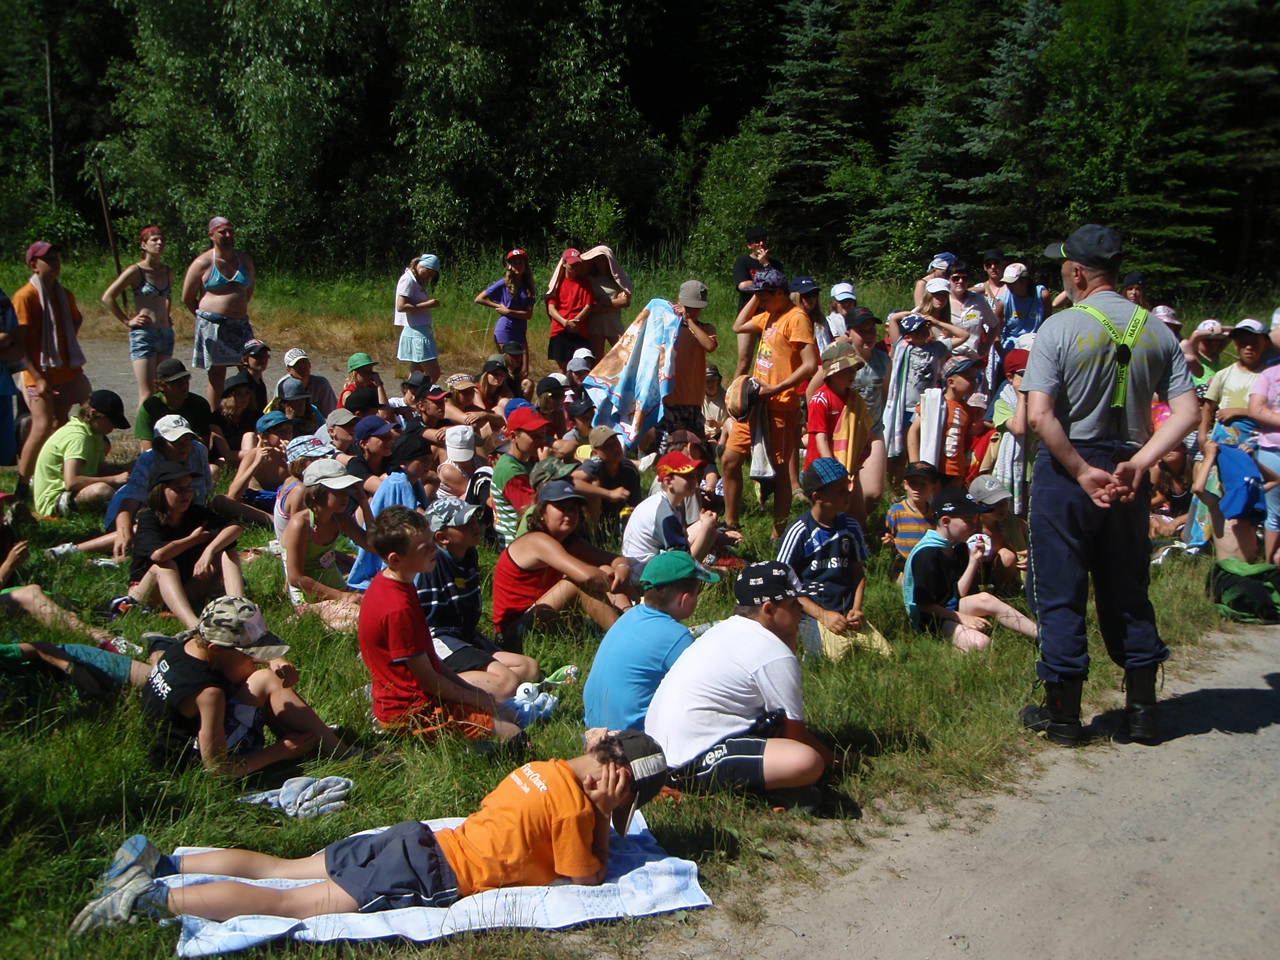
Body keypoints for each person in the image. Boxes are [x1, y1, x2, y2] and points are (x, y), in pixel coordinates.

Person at [70, 729, 668, 933]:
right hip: (430, 871)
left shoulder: (541, 767)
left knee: (282, 870)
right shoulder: (576, 813)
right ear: (618, 783)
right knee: (292, 906)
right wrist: (601, 820)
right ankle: (150, 900)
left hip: (415, 839)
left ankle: (164, 863)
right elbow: (585, 878)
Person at [1021, 224, 1198, 746]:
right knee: (1127, 588)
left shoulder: (1059, 327)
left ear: (1077, 273)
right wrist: (1141, 462)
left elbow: (1039, 416)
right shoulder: (1157, 330)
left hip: (1069, 467)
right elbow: (1187, 412)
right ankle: (1141, 713)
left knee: (1060, 588)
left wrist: (1080, 470)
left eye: (1063, 266)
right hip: (1128, 470)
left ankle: (1064, 717)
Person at [644, 561, 835, 801]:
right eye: (793, 604)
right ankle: (702, 791)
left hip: (665, 752)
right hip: (689, 761)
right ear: (768, 609)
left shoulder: (726, 630)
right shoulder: (773, 652)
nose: (801, 612)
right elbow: (795, 736)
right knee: (807, 761)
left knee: (778, 732)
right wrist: (839, 761)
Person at [137, 596, 359, 774]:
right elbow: (217, 767)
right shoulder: (209, 693)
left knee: (265, 677)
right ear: (216, 649)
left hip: (180, 737)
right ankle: (343, 755)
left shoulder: (186, 646)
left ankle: (327, 746)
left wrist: (274, 659)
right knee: (266, 680)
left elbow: (235, 664)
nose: (254, 659)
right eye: (249, 654)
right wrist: (281, 750)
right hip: (190, 764)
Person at [356, 506, 519, 742]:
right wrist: (475, 698)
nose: (434, 549)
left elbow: (433, 663)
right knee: (512, 733)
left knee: (507, 713)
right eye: (424, 548)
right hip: (411, 712)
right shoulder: (397, 608)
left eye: (431, 541)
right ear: (395, 559)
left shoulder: (397, 583)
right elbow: (429, 682)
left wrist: (474, 694)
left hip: (423, 696)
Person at [724, 268, 819, 534]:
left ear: (779, 293)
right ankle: (730, 525)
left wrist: (777, 387)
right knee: (730, 460)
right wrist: (757, 296)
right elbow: (738, 326)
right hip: (754, 404)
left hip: (781, 406)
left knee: (779, 472)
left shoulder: (796, 318)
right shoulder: (769, 314)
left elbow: (810, 365)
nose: (760, 301)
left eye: (764, 296)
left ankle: (778, 535)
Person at [583, 550, 719, 732]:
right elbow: (706, 688)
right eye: (697, 593)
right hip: (631, 738)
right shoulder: (677, 637)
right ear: (685, 599)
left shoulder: (629, 616)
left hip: (594, 728)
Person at [418, 499, 540, 700]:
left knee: (529, 668)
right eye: (464, 523)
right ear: (442, 537)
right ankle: (428, 689)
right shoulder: (430, 565)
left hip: (465, 635)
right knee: (507, 682)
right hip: (438, 640)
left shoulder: (469, 554)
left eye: (474, 519)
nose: (475, 525)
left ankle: (482, 687)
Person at [491, 481, 633, 652]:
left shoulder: (568, 542)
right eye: (561, 507)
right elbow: (587, 577)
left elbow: (616, 559)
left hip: (544, 617)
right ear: (541, 512)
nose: (568, 514)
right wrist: (615, 579)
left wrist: (622, 568)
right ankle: (627, 640)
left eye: (573, 509)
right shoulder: (537, 540)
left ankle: (632, 624)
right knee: (577, 582)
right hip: (513, 634)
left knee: (606, 570)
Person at [902, 489, 1037, 652]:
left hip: (949, 606)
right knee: (981, 643)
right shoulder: (927, 554)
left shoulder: (957, 546)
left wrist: (973, 561)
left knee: (986, 598)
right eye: (968, 520)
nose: (975, 526)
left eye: (976, 519)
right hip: (930, 618)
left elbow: (959, 593)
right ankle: (945, 649)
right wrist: (961, 618)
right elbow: (924, 605)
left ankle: (1041, 634)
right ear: (946, 521)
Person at [778, 459, 888, 658]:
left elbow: (858, 574)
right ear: (818, 496)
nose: (848, 494)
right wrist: (822, 615)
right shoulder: (799, 531)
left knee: (885, 655)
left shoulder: (851, 527)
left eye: (848, 487)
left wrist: (856, 609)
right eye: (840, 491)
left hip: (846, 612)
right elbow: (783, 582)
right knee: (835, 657)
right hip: (810, 614)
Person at [13, 241, 91, 499]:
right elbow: (19, 344)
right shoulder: (25, 297)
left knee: (84, 410)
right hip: (35, 375)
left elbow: (76, 320)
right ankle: (22, 485)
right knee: (43, 424)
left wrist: (63, 348)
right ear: (33, 265)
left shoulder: (64, 294)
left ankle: (65, 473)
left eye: (57, 258)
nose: (55, 263)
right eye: (48, 259)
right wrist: (38, 377)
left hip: (67, 371)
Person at [126, 462, 245, 629]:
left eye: (189, 488)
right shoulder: (149, 518)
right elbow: (159, 555)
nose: (186, 494)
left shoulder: (195, 513)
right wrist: (193, 539)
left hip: (184, 587)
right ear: (160, 491)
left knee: (227, 548)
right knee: (165, 566)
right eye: (178, 489)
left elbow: (236, 527)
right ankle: (194, 626)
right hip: (148, 593)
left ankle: (240, 611)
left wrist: (210, 551)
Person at [282, 459, 372, 630]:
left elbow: (372, 545)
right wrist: (341, 596)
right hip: (309, 596)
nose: (345, 496)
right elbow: (296, 578)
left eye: (346, 490)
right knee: (364, 619)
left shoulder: (340, 518)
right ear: (315, 494)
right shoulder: (300, 524)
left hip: (337, 589)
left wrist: (363, 502)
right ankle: (305, 616)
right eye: (338, 491)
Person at [181, 217, 256, 408]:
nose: (228, 235)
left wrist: (237, 308)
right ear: (211, 235)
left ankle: (249, 412)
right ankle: (216, 416)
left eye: (231, 231)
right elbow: (187, 297)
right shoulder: (203, 262)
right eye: (223, 232)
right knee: (217, 375)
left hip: (240, 324)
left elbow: (249, 290)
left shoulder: (244, 260)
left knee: (249, 369)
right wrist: (204, 318)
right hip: (213, 325)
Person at [101, 226, 175, 408]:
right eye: (154, 240)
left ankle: (160, 424)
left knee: (162, 389)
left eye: (162, 240)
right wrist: (127, 321)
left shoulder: (167, 271)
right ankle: (143, 426)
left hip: (165, 333)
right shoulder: (136, 271)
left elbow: (167, 296)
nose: (159, 243)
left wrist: (166, 314)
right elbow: (108, 297)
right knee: (147, 392)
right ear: (143, 245)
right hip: (144, 335)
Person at [32, 390, 131, 517]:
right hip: (54, 500)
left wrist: (125, 470)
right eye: (111, 422)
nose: (114, 427)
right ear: (93, 414)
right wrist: (115, 479)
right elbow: (72, 482)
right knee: (102, 490)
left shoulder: (95, 434)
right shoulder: (78, 438)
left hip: (73, 492)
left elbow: (98, 469)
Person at [622, 451, 723, 566]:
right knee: (707, 527)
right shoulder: (665, 514)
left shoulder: (666, 504)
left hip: (648, 564)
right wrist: (707, 528)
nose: (694, 481)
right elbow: (681, 565)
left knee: (705, 525)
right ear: (668, 481)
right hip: (644, 572)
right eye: (688, 476)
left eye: (694, 476)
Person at [907, 356, 986, 487]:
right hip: (934, 467)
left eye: (975, 378)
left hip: (956, 472)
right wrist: (915, 464)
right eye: (969, 378)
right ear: (951, 382)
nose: (974, 382)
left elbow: (968, 439)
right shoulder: (934, 403)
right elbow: (914, 431)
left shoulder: (968, 410)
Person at [1200, 318, 1268, 453]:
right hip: (1221, 444)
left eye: (1255, 343)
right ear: (1236, 344)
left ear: (1265, 344)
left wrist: (1239, 411)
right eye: (1243, 343)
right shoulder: (1223, 374)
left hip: (1256, 445)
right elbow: (1208, 408)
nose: (1249, 347)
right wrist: (1202, 437)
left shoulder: (1270, 377)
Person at [492, 406, 549, 546]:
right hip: (517, 543)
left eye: (543, 434)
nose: (541, 440)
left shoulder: (527, 460)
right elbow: (535, 510)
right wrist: (545, 467)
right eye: (534, 436)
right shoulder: (510, 471)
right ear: (513, 437)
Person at [475, 249, 536, 380]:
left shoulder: (528, 287)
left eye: (521, 262)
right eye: (515, 263)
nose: (518, 265)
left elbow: (529, 315)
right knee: (509, 365)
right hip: (505, 328)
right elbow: (479, 298)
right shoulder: (504, 283)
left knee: (523, 370)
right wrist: (498, 306)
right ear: (510, 265)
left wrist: (509, 311)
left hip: (520, 330)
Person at [732, 227, 784, 373]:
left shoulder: (775, 264)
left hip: (771, 314)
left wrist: (766, 265)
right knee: (744, 360)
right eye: (757, 241)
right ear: (749, 245)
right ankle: (736, 387)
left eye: (764, 240)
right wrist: (768, 283)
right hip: (748, 314)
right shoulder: (743, 262)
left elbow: (781, 285)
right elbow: (743, 285)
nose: (761, 244)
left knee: (771, 358)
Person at [227, 411, 292, 525]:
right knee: (220, 501)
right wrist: (256, 464)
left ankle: (279, 521)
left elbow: (303, 488)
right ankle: (274, 521)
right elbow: (233, 494)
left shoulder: (292, 456)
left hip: (282, 502)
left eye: (289, 431)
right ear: (264, 437)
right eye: (281, 432)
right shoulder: (253, 455)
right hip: (256, 502)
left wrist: (291, 460)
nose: (287, 436)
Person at [134, 358, 213, 452]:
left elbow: (202, 446)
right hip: (160, 456)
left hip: (190, 455)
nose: (184, 386)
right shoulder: (149, 407)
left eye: (186, 380)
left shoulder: (199, 404)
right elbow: (148, 449)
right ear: (161, 386)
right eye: (177, 383)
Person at [1247, 345, 1280, 564]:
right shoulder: (1270, 374)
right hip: (1271, 449)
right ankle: (1270, 565)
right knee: (1274, 511)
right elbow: (1255, 409)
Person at [572, 426, 643, 523]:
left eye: (616, 442)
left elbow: (636, 504)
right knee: (594, 482)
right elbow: (571, 481)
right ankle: (595, 530)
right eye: (608, 446)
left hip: (617, 518)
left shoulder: (629, 469)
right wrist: (609, 494)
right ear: (595, 453)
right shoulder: (595, 464)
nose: (615, 448)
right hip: (593, 516)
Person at [883, 460, 942, 575]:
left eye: (923, 484)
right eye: (913, 483)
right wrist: (887, 541)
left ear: (933, 488)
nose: (917, 488)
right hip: (901, 570)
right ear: (905, 484)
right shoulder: (896, 512)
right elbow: (886, 536)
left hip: (926, 570)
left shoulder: (935, 515)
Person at [545, 248, 598, 373]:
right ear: (564, 263)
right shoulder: (557, 284)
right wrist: (565, 322)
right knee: (563, 367)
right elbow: (551, 309)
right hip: (560, 329)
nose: (575, 268)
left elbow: (588, 306)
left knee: (583, 365)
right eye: (572, 265)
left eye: (577, 265)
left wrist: (576, 320)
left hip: (579, 330)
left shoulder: (585, 283)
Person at [394, 253, 442, 380]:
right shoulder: (408, 280)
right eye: (428, 272)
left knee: (417, 373)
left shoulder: (416, 280)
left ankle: (412, 392)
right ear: (422, 266)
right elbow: (401, 306)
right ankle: (424, 391)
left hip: (420, 329)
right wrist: (427, 304)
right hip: (417, 332)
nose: (429, 276)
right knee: (433, 373)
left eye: (432, 274)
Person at [580, 245, 633, 359]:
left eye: (603, 260)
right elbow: (590, 305)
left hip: (613, 323)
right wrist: (612, 304)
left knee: (625, 355)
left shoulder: (618, 278)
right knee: (597, 359)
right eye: (598, 260)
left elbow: (625, 301)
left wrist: (604, 303)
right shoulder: (590, 279)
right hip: (595, 325)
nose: (600, 263)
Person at [996, 263, 1051, 351]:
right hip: (1012, 346)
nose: (1009, 286)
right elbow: (995, 332)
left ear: (1024, 281)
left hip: (1036, 343)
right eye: (1007, 283)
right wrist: (1002, 354)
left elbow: (1048, 323)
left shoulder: (1042, 295)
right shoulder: (1002, 303)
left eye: (1012, 283)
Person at [275, 347, 338, 417]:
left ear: (310, 365)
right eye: (297, 365)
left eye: (304, 363)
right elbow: (277, 413)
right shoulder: (283, 385)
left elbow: (332, 413)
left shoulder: (321, 384)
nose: (303, 367)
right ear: (288, 370)